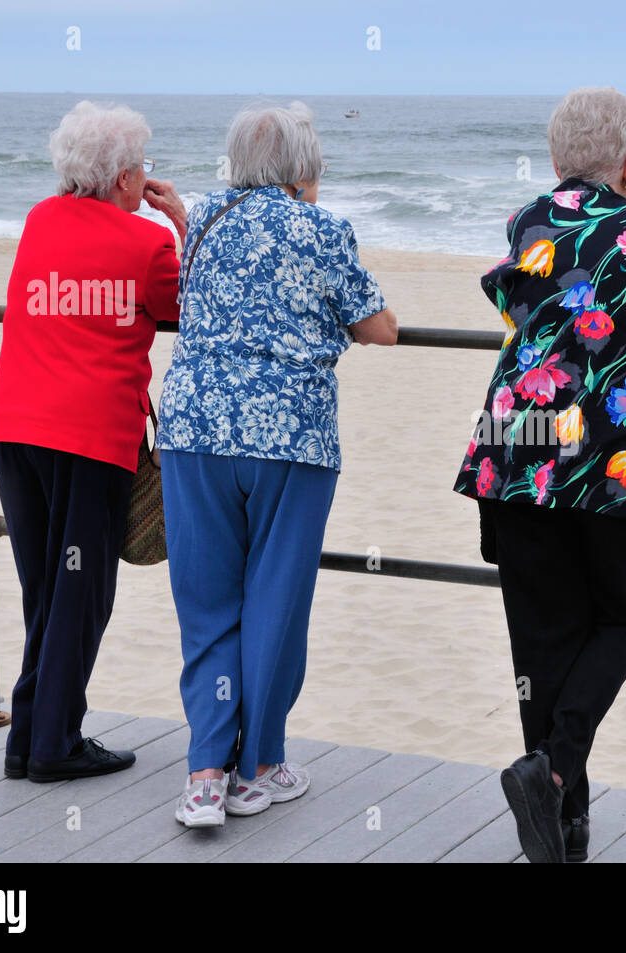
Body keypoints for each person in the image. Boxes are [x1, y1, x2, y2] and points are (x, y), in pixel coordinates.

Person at [453, 86, 626, 861]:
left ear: (555, 162)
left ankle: (563, 817)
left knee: (542, 639)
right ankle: (550, 780)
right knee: (625, 617)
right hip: (616, 458)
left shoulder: (529, 220)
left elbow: (521, 311)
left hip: (519, 447)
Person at [158, 102, 398, 828]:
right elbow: (377, 328)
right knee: (274, 598)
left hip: (194, 428)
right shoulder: (321, 229)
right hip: (289, 438)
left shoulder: (204, 217)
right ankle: (259, 765)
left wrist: (183, 215)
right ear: (304, 169)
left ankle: (205, 774)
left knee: (206, 601)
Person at [0, 101, 187, 782]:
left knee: (45, 587)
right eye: (141, 168)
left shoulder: (40, 218)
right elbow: (192, 305)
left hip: (13, 425)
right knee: (81, 589)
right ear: (126, 178)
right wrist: (183, 222)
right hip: (88, 435)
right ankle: (53, 744)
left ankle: (29, 735)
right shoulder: (149, 244)